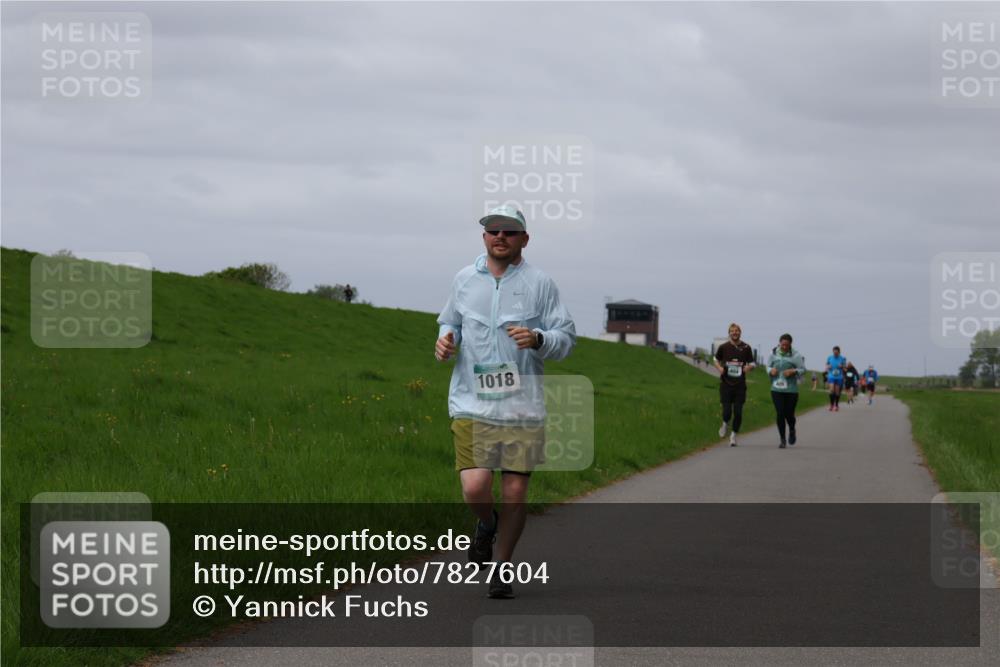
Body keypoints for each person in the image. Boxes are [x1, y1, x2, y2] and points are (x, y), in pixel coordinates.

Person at [435, 204, 576, 599]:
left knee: (515, 492)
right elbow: (450, 320)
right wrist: (447, 338)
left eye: (510, 232)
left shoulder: (541, 284)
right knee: (475, 486)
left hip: (521, 406)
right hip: (471, 401)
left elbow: (566, 338)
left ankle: (501, 566)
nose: (500, 236)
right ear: (484, 237)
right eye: (493, 230)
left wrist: (540, 339)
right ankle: (486, 523)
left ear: (524, 239)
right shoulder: (465, 279)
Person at [713, 323, 755, 446]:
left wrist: (749, 367)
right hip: (726, 384)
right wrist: (719, 368)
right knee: (727, 412)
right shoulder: (723, 347)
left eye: (736, 331)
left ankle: (733, 436)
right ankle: (725, 424)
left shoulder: (746, 347)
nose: (734, 333)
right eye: (732, 331)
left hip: (740, 385)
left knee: (738, 412)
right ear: (729, 333)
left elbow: (753, 363)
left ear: (740, 332)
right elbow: (715, 359)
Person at [767, 333, 806, 448]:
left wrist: (793, 371)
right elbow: (767, 366)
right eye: (782, 344)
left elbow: (803, 369)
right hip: (776, 388)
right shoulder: (773, 353)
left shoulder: (796, 355)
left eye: (786, 345)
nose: (784, 347)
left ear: (790, 345)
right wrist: (770, 370)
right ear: (779, 343)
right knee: (780, 413)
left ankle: (792, 429)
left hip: (791, 390)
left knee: (789, 414)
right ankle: (782, 439)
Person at [825, 345, 847, 411]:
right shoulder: (829, 357)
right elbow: (827, 365)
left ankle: (836, 405)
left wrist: (842, 366)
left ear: (839, 352)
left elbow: (845, 368)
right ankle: (831, 405)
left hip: (839, 377)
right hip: (831, 375)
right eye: (834, 352)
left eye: (836, 353)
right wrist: (828, 367)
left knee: (837, 391)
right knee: (831, 390)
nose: (835, 354)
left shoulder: (842, 358)